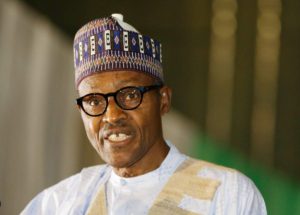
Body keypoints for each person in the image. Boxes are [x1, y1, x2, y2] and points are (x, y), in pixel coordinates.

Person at [21, 13, 267, 215]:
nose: (112, 116)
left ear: (163, 100)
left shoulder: (226, 194)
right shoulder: (58, 204)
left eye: (129, 95)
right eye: (94, 101)